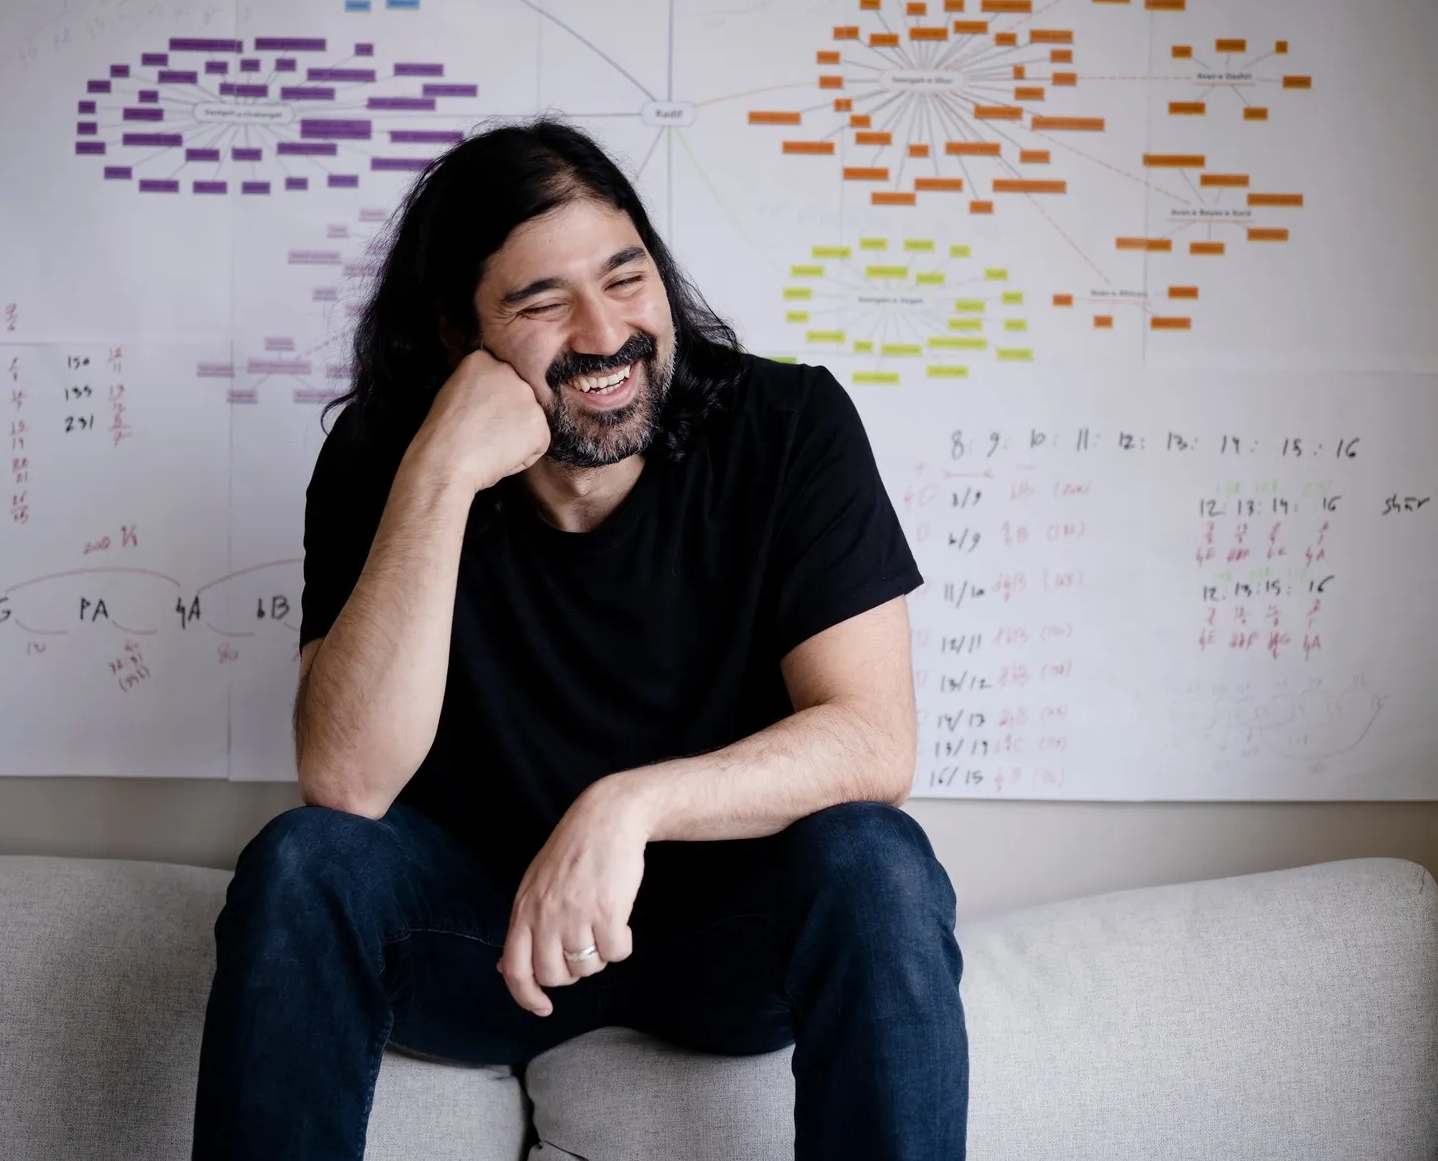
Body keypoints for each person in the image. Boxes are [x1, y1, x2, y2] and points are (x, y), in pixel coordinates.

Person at [191, 119, 967, 1160]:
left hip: (728, 939)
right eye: (541, 302)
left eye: (626, 277)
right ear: (457, 336)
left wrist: (627, 807)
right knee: (303, 861)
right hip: (483, 946)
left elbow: (872, 741)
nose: (606, 334)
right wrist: (439, 475)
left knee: (877, 860)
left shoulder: (789, 425)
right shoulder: (385, 458)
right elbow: (345, 783)